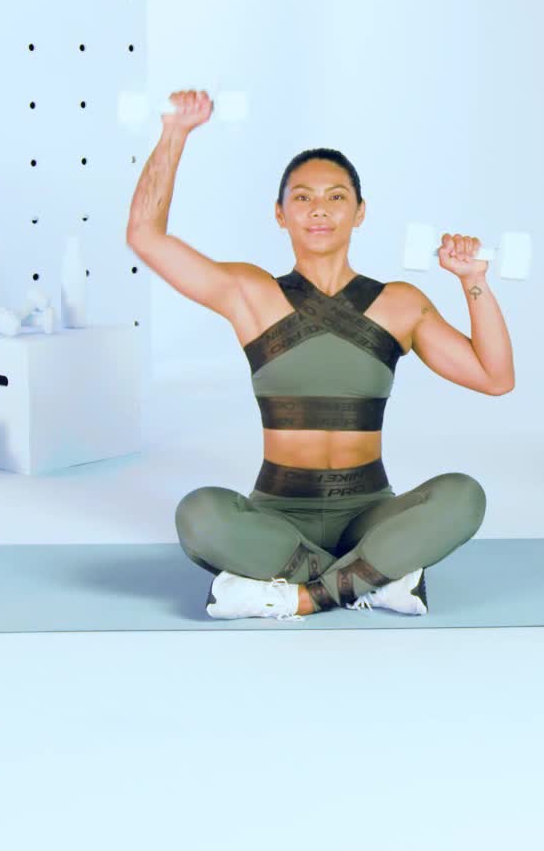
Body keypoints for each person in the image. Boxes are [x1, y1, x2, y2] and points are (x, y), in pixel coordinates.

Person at [126, 90, 516, 621]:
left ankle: (302, 596)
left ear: (359, 212)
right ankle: (375, 578)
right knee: (198, 515)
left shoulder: (400, 304)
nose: (319, 210)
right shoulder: (251, 294)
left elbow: (494, 377)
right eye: (303, 197)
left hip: (370, 515)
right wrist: (175, 132)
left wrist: (474, 280)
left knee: (464, 496)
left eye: (336, 197)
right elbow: (145, 236)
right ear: (280, 214)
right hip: (278, 517)